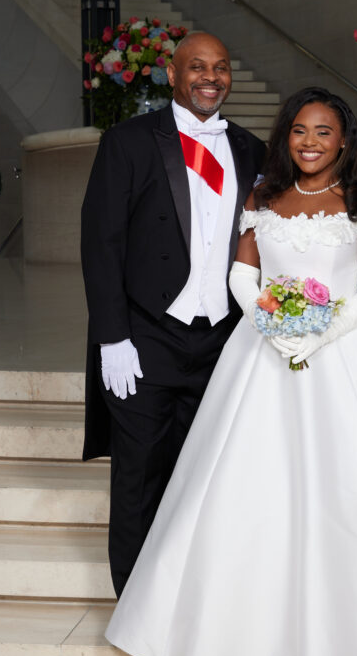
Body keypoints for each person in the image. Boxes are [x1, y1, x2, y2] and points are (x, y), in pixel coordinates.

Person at [105, 87, 357, 656]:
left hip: (341, 355)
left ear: (345, 140)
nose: (310, 142)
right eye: (300, 131)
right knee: (243, 484)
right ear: (286, 138)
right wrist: (271, 326)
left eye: (324, 132)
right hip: (261, 354)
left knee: (350, 486)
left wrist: (320, 331)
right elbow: (242, 273)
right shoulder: (264, 195)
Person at [80, 32, 266, 597]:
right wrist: (113, 337)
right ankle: (134, 598)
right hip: (146, 337)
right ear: (172, 73)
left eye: (221, 67)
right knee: (139, 474)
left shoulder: (252, 150)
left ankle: (186, 597)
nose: (211, 77)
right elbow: (101, 242)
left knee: (203, 473)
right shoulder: (129, 141)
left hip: (221, 340)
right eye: (197, 67)